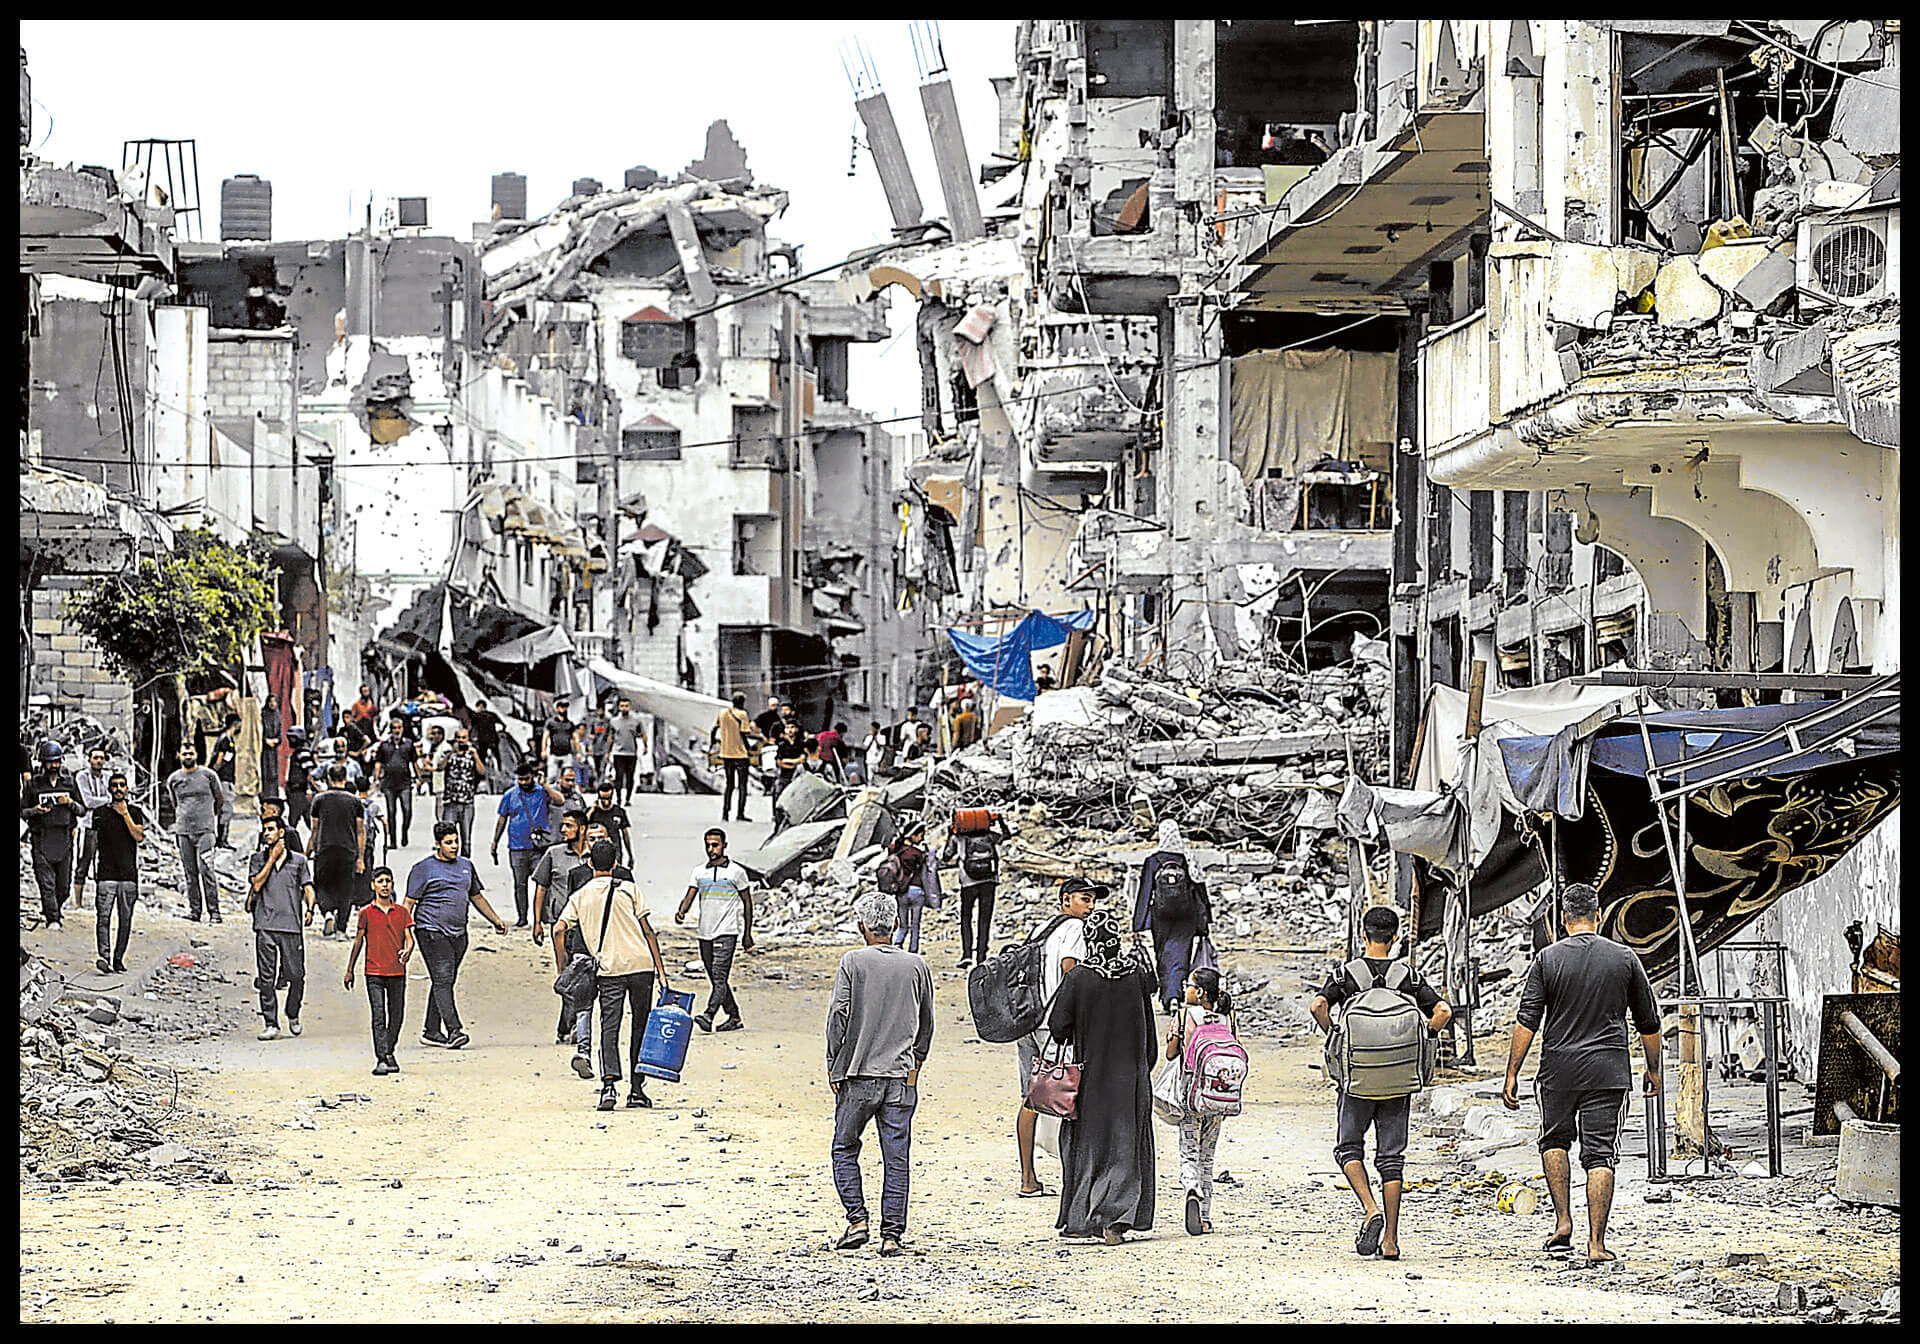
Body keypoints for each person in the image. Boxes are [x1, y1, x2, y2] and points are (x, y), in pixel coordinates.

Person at [1503, 882, 1662, 1267]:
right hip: (1608, 1073)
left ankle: (1562, 1223)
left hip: (1557, 1070)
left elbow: (1527, 1021)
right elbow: (1649, 1023)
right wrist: (1654, 1070)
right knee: (1600, 1155)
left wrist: (1512, 1074)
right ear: (1599, 915)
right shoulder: (1624, 959)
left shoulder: (1546, 959)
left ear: (1563, 918)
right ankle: (1596, 1243)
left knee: (1553, 1141)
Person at [1309, 905, 1452, 1260]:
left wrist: (1335, 1037)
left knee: (1348, 1149)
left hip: (1356, 1077)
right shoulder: (1408, 976)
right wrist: (1426, 1039)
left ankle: (1370, 1208)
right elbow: (1443, 1011)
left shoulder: (1347, 974)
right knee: (1391, 1159)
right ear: (1395, 937)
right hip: (1398, 1079)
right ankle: (1390, 1240)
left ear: (1363, 934)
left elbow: (1317, 1006)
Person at [827, 889, 936, 1258]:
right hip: (900, 1076)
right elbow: (926, 1023)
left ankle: (857, 1220)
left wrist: (834, 1063)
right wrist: (916, 1063)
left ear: (862, 926)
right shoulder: (916, 965)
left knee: (844, 1146)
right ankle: (892, 1235)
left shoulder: (853, 962)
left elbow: (838, 1016)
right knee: (896, 1157)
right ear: (897, 924)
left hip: (858, 1073)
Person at [1047, 908, 1157, 1243]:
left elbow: (1058, 1027)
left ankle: (1084, 1217)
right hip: (1131, 1075)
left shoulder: (1079, 977)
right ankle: (1117, 1218)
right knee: (1126, 1144)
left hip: (1091, 1077)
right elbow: (1148, 1026)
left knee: (1089, 1145)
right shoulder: (1136, 974)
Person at [559, 839, 672, 1112]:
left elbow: (558, 929)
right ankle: (636, 1089)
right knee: (640, 1027)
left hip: (609, 970)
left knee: (610, 1026)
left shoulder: (580, 896)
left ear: (589, 864)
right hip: (641, 966)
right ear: (616, 863)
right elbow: (647, 930)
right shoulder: (631, 890)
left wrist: (564, 965)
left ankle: (609, 1085)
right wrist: (661, 972)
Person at [1014, 877, 1101, 1198]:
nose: (1090, 906)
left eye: (1092, 900)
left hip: (1028, 1019)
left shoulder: (1041, 928)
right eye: (1084, 899)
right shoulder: (1076, 929)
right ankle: (1075, 1179)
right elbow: (1070, 969)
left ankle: (1028, 1178)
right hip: (1056, 1024)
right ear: (1066, 900)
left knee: (1031, 1097)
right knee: (1069, 1096)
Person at [405, 821, 509, 1050]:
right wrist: (405, 935)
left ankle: (431, 1030)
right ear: (437, 844)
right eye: (448, 843)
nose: (454, 847)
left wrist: (495, 920)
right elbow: (409, 903)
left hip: (459, 934)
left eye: (456, 842)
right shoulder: (422, 869)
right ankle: (454, 1030)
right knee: (443, 978)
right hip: (431, 930)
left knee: (444, 980)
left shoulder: (466, 866)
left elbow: (477, 896)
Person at [1167, 966, 1237, 1235]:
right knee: (1208, 1156)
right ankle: (1205, 1217)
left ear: (1199, 992)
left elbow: (1172, 1054)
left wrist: (1173, 1037)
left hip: (1190, 1092)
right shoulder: (1228, 1016)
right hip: (1218, 1094)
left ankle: (1191, 1188)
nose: (1185, 989)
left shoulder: (1185, 1016)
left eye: (1188, 985)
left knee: (1189, 1152)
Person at [676, 828, 755, 1033]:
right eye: (708, 845)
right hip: (705, 933)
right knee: (715, 977)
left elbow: (747, 903)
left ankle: (709, 1014)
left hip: (727, 931)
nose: (711, 849)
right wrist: (682, 911)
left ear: (724, 845)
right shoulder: (699, 872)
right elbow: (691, 894)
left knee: (719, 976)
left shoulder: (736, 872)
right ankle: (734, 1016)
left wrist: (747, 934)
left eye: (715, 845)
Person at [1134, 820, 1215, 1014]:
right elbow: (1199, 890)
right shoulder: (1187, 859)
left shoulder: (1153, 861)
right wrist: (1205, 920)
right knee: (1181, 955)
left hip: (1161, 917)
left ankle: (1168, 996)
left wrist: (1138, 924)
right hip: (1186, 917)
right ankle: (1176, 995)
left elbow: (1145, 893)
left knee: (1163, 955)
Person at [247, 816, 316, 1041]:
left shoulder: (298, 861)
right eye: (264, 830)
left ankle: (293, 1013)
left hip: (291, 925)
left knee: (296, 975)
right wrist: (271, 859)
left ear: (281, 833)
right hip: (265, 924)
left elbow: (307, 886)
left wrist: (310, 908)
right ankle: (270, 1022)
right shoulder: (257, 859)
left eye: (271, 829)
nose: (267, 833)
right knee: (266, 977)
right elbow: (256, 883)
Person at [344, 866, 414, 1075]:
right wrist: (350, 969)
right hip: (374, 971)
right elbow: (358, 941)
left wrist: (408, 949)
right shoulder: (366, 913)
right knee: (378, 1015)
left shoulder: (402, 912)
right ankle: (382, 1058)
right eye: (381, 881)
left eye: (388, 881)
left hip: (397, 971)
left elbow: (409, 936)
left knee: (397, 1014)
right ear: (373, 885)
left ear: (393, 885)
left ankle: (389, 1050)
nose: (385, 885)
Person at [492, 760, 563, 927]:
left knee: (543, 882)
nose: (523, 783)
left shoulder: (542, 792)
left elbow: (559, 801)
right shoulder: (510, 795)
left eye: (526, 779)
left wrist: (544, 785)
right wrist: (495, 842)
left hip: (539, 847)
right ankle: (522, 918)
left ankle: (544, 917)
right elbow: (502, 819)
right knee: (520, 884)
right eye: (520, 779)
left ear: (532, 777)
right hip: (516, 847)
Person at [89, 772, 146, 973]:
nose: (119, 789)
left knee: (125, 919)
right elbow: (93, 842)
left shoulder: (135, 811)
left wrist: (125, 814)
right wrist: (88, 868)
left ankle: (118, 958)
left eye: (122, 785)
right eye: (115, 785)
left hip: (128, 875)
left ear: (127, 789)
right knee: (103, 917)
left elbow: (139, 836)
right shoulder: (99, 813)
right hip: (106, 874)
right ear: (109, 788)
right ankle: (104, 957)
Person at [940, 811, 1012, 968]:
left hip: (968, 883)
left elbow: (946, 857)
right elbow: (1007, 836)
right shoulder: (990, 835)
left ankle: (966, 954)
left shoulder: (959, 838)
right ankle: (981, 956)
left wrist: (949, 835)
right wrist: (1000, 821)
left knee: (966, 918)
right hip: (989, 881)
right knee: (984, 920)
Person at [24, 741, 83, 928]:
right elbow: (22, 811)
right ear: (43, 763)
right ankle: (53, 918)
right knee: (46, 882)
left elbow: (82, 810)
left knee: (63, 886)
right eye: (50, 763)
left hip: (64, 838)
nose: (53, 766)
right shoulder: (33, 784)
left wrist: (69, 803)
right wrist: (35, 810)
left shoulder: (69, 782)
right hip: (41, 837)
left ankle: (54, 908)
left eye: (56, 762)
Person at [164, 742, 224, 923]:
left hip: (205, 831)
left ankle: (214, 913)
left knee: (206, 869)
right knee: (190, 873)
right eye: (184, 754)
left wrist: (208, 818)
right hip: (183, 831)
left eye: (191, 753)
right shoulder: (174, 779)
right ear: (178, 756)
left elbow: (219, 799)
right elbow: (175, 803)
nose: (188, 756)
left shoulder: (209, 775)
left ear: (196, 754)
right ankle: (195, 911)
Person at [308, 765, 366, 937]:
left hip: (325, 849)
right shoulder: (355, 802)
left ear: (328, 778)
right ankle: (341, 929)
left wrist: (308, 851)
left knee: (323, 884)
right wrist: (360, 857)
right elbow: (360, 831)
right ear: (345, 777)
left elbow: (315, 829)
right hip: (347, 850)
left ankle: (327, 913)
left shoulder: (319, 800)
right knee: (345, 889)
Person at [70, 746, 113, 909]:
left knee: (105, 864)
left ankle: (102, 903)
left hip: (106, 825)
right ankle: (78, 903)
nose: (99, 761)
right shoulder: (82, 776)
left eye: (101, 758)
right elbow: (88, 802)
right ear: (89, 760)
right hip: (88, 825)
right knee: (84, 862)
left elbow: (116, 798)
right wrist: (107, 800)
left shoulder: (108, 776)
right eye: (95, 758)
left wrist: (106, 800)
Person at [886, 823, 938, 956]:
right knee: (915, 925)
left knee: (903, 924)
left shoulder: (894, 849)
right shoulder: (917, 853)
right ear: (913, 835)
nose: (922, 838)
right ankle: (913, 951)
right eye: (920, 835)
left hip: (901, 891)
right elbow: (928, 871)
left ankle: (897, 944)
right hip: (916, 891)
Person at [709, 693, 760, 824]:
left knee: (729, 785)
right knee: (742, 785)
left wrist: (713, 743)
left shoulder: (723, 713)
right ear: (742, 702)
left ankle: (725, 814)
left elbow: (714, 730)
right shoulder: (742, 714)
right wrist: (749, 748)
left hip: (726, 753)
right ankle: (740, 814)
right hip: (740, 754)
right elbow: (744, 734)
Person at [436, 727, 484, 855]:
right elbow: (440, 767)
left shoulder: (472, 753)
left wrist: (475, 755)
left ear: (468, 739)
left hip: (467, 802)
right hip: (451, 801)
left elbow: (482, 772)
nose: (461, 741)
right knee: (447, 837)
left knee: (466, 839)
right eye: (459, 738)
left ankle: (465, 867)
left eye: (464, 738)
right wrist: (451, 752)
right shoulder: (449, 752)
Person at [373, 716, 418, 850]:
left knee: (407, 810)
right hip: (389, 783)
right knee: (391, 811)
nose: (397, 731)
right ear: (390, 730)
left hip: (405, 782)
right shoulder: (384, 745)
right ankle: (392, 840)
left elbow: (414, 762)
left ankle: (404, 831)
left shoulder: (408, 744)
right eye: (394, 728)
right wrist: (376, 778)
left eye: (399, 728)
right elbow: (378, 762)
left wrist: (419, 777)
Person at [209, 712, 240, 849]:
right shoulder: (226, 740)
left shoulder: (226, 738)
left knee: (223, 810)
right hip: (224, 780)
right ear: (235, 724)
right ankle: (222, 840)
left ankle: (221, 839)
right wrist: (215, 775)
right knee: (226, 810)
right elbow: (219, 759)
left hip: (225, 779)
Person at [607, 697, 647, 803]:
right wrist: (608, 752)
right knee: (618, 776)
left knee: (630, 777)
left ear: (630, 707)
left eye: (626, 706)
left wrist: (645, 746)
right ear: (619, 707)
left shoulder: (636, 720)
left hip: (631, 753)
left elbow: (643, 733)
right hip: (618, 752)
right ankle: (619, 798)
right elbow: (611, 736)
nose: (624, 708)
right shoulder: (614, 721)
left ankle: (628, 798)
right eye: (622, 706)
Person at [586, 782, 634, 868]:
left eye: (608, 798)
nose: (606, 801)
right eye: (603, 798)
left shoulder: (619, 811)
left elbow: (625, 834)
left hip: (615, 850)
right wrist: (592, 810)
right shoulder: (592, 811)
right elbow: (582, 826)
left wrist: (630, 855)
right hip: (595, 851)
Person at [543, 698, 581, 786]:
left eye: (565, 707)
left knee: (567, 776)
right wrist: (543, 750)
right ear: (557, 709)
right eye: (562, 707)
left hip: (567, 754)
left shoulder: (570, 724)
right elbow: (545, 737)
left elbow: (576, 738)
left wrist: (579, 752)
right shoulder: (551, 722)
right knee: (551, 777)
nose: (564, 709)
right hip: (554, 754)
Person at [467, 698, 505, 787]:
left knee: (481, 757)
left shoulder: (476, 716)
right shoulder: (492, 715)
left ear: (479, 707)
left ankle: (481, 776)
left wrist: (471, 737)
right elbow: (503, 725)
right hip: (493, 739)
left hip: (483, 740)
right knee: (497, 755)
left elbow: (471, 728)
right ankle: (499, 769)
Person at [284, 728, 315, 829]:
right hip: (295, 792)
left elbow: (310, 773)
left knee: (293, 822)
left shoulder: (303, 753)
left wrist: (309, 790)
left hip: (300, 792)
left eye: (292, 738)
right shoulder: (297, 753)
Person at [582, 703, 612, 795]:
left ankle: (600, 786)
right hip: (595, 749)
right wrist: (590, 746)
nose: (600, 712)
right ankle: (598, 784)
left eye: (601, 710)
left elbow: (610, 737)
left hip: (604, 749)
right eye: (598, 710)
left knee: (602, 768)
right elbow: (590, 735)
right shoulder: (594, 722)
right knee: (597, 769)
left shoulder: (608, 722)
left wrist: (608, 751)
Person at [260, 693, 284, 799]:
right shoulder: (263, 714)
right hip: (265, 749)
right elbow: (260, 731)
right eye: (271, 702)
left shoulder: (277, 715)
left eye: (274, 702)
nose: (272, 704)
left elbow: (280, 733)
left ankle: (274, 795)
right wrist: (265, 740)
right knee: (266, 771)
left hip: (274, 749)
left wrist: (276, 740)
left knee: (274, 772)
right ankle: (266, 795)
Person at [774, 723, 806, 796]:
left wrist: (786, 761)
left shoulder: (802, 743)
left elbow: (802, 760)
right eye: (787, 728)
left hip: (798, 777)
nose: (790, 730)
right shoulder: (781, 745)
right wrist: (794, 763)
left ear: (797, 729)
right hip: (784, 776)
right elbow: (779, 762)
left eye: (792, 727)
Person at [421, 723, 446, 799]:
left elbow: (443, 766)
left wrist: (430, 768)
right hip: (433, 781)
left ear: (441, 735)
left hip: (441, 782)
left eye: (434, 734)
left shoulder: (445, 748)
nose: (432, 736)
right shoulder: (433, 747)